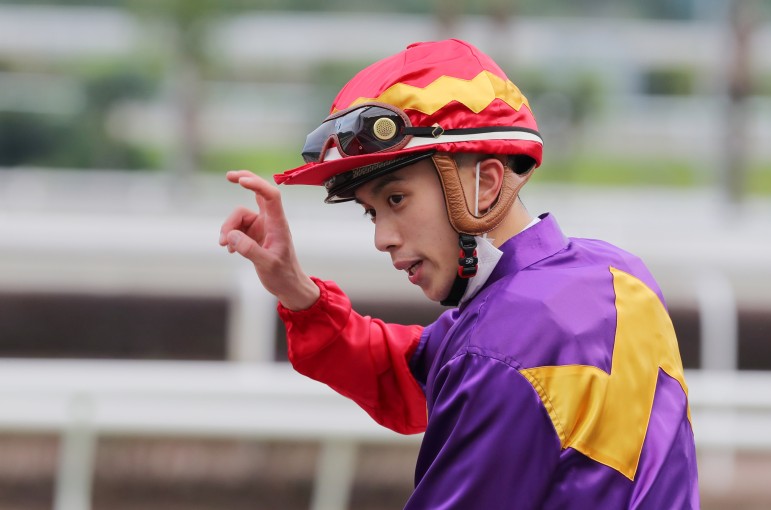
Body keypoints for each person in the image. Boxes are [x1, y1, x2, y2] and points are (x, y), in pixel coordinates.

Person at [219, 39, 699, 509]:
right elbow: (408, 375)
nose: (382, 237)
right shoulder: (617, 272)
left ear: (484, 184)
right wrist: (298, 292)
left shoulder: (497, 349)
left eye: (396, 200)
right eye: (371, 212)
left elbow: (474, 364)